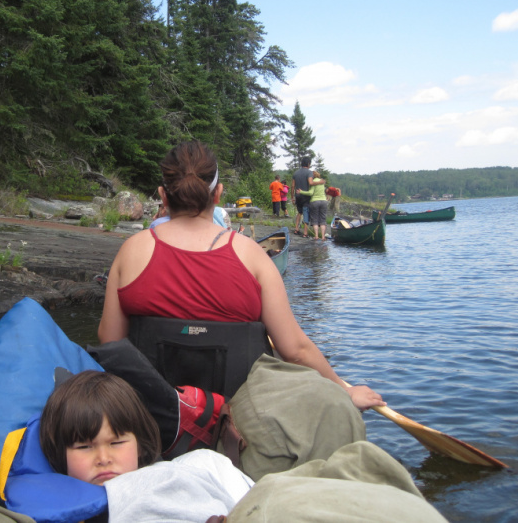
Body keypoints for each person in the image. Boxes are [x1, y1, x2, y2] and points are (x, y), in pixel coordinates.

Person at [98, 141, 385, 481]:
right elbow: (295, 349)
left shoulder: (132, 251)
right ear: (218, 194)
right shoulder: (251, 255)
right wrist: (343, 389)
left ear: (163, 194)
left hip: (155, 422)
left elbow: (110, 344)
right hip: (236, 429)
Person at [40, 369, 254, 522]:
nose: (103, 458)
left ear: (140, 446)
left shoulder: (199, 465)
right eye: (84, 447)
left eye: (117, 442)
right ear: (60, 454)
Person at [291, 157, 313, 238]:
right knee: (306, 212)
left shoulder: (296, 173)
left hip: (298, 196)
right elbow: (311, 184)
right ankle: (305, 233)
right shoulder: (310, 173)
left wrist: (292, 196)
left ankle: (296, 229)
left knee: (299, 213)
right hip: (306, 196)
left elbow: (293, 186)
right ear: (308, 164)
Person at [307, 170, 328, 240]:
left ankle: (316, 236)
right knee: (322, 219)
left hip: (315, 201)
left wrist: (301, 191)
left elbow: (310, 193)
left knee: (315, 219)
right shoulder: (322, 182)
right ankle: (323, 237)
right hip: (324, 201)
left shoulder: (313, 182)